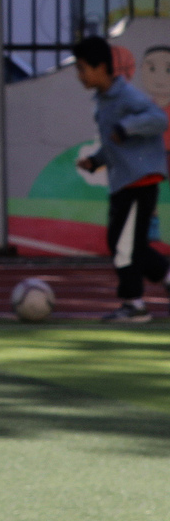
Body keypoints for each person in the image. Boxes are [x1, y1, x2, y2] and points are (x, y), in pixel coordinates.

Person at [71, 34, 170, 322]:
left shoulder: (128, 96)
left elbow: (159, 119)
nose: (80, 75)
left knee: (122, 244)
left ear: (101, 66)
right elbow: (113, 143)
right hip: (123, 182)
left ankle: (134, 305)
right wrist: (96, 160)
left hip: (140, 180)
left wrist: (128, 126)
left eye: (82, 68)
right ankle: (164, 275)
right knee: (132, 245)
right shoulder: (102, 101)